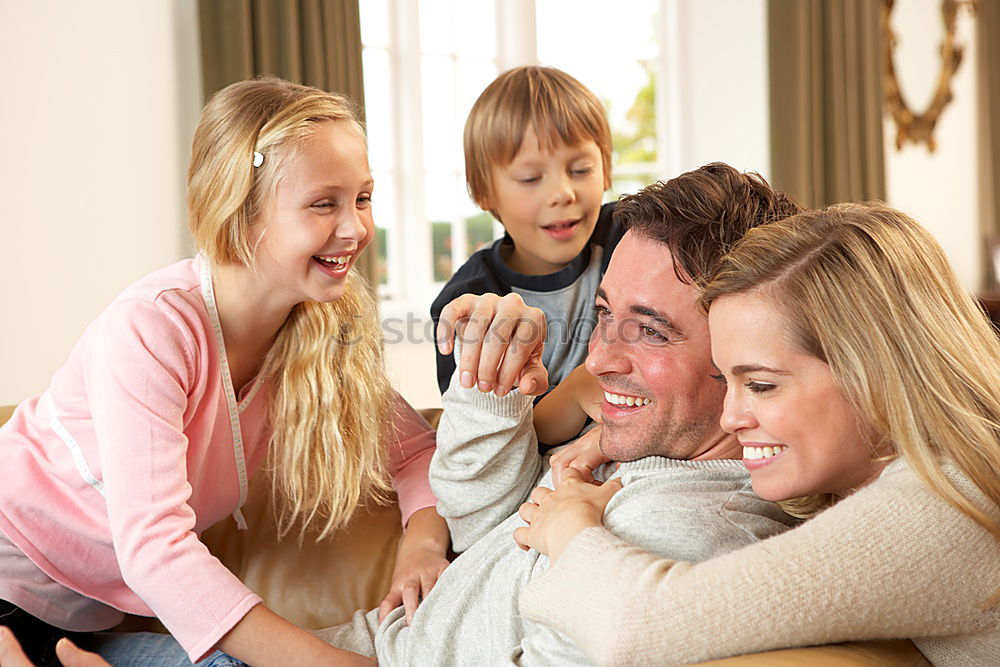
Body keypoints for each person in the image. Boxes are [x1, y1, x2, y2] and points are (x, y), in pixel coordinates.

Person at [91, 163, 804, 666]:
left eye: (650, 330)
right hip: (351, 642)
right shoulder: (634, 448)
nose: (602, 358)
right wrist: (490, 389)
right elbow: (480, 526)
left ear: (746, 348)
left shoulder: (675, 533)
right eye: (604, 316)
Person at [0, 77, 450, 667]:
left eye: (363, 198)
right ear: (239, 211)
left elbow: (416, 451)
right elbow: (156, 547)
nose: (356, 228)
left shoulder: (321, 330)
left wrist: (421, 545)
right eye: (324, 203)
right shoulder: (153, 328)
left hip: (85, 627)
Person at [514, 203, 1000, 666]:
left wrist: (566, 526)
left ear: (878, 373)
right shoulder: (914, 471)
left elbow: (639, 626)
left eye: (762, 385)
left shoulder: (943, 505)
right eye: (728, 380)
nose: (730, 418)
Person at [430, 65, 624, 397]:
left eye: (581, 169)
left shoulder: (629, 235)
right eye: (530, 179)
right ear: (483, 191)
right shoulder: (469, 300)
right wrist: (576, 396)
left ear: (606, 172)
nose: (563, 193)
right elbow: (479, 430)